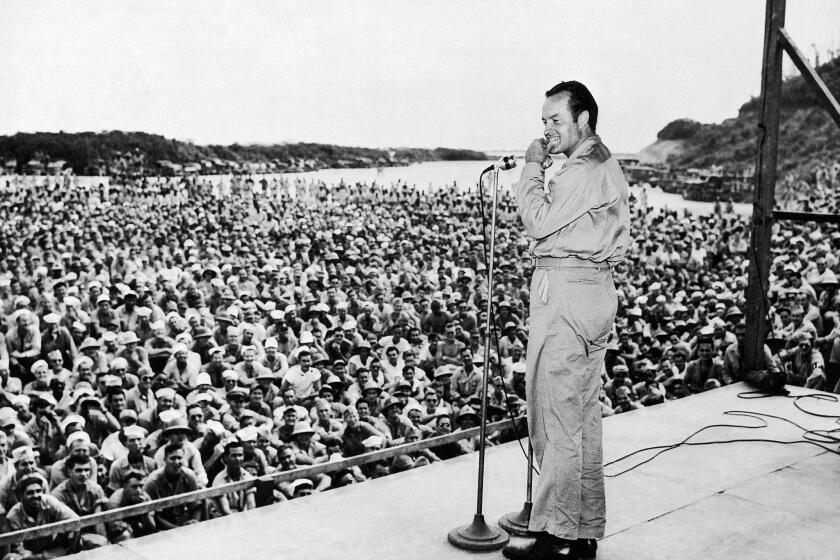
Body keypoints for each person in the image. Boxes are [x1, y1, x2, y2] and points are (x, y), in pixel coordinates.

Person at [507, 81, 629, 560]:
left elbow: (537, 220)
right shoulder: (596, 162)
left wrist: (532, 164)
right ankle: (580, 531)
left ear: (584, 120)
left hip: (569, 296)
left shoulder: (584, 168)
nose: (547, 130)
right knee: (579, 418)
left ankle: (557, 536)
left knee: (556, 416)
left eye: (555, 121)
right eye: (542, 123)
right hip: (586, 291)